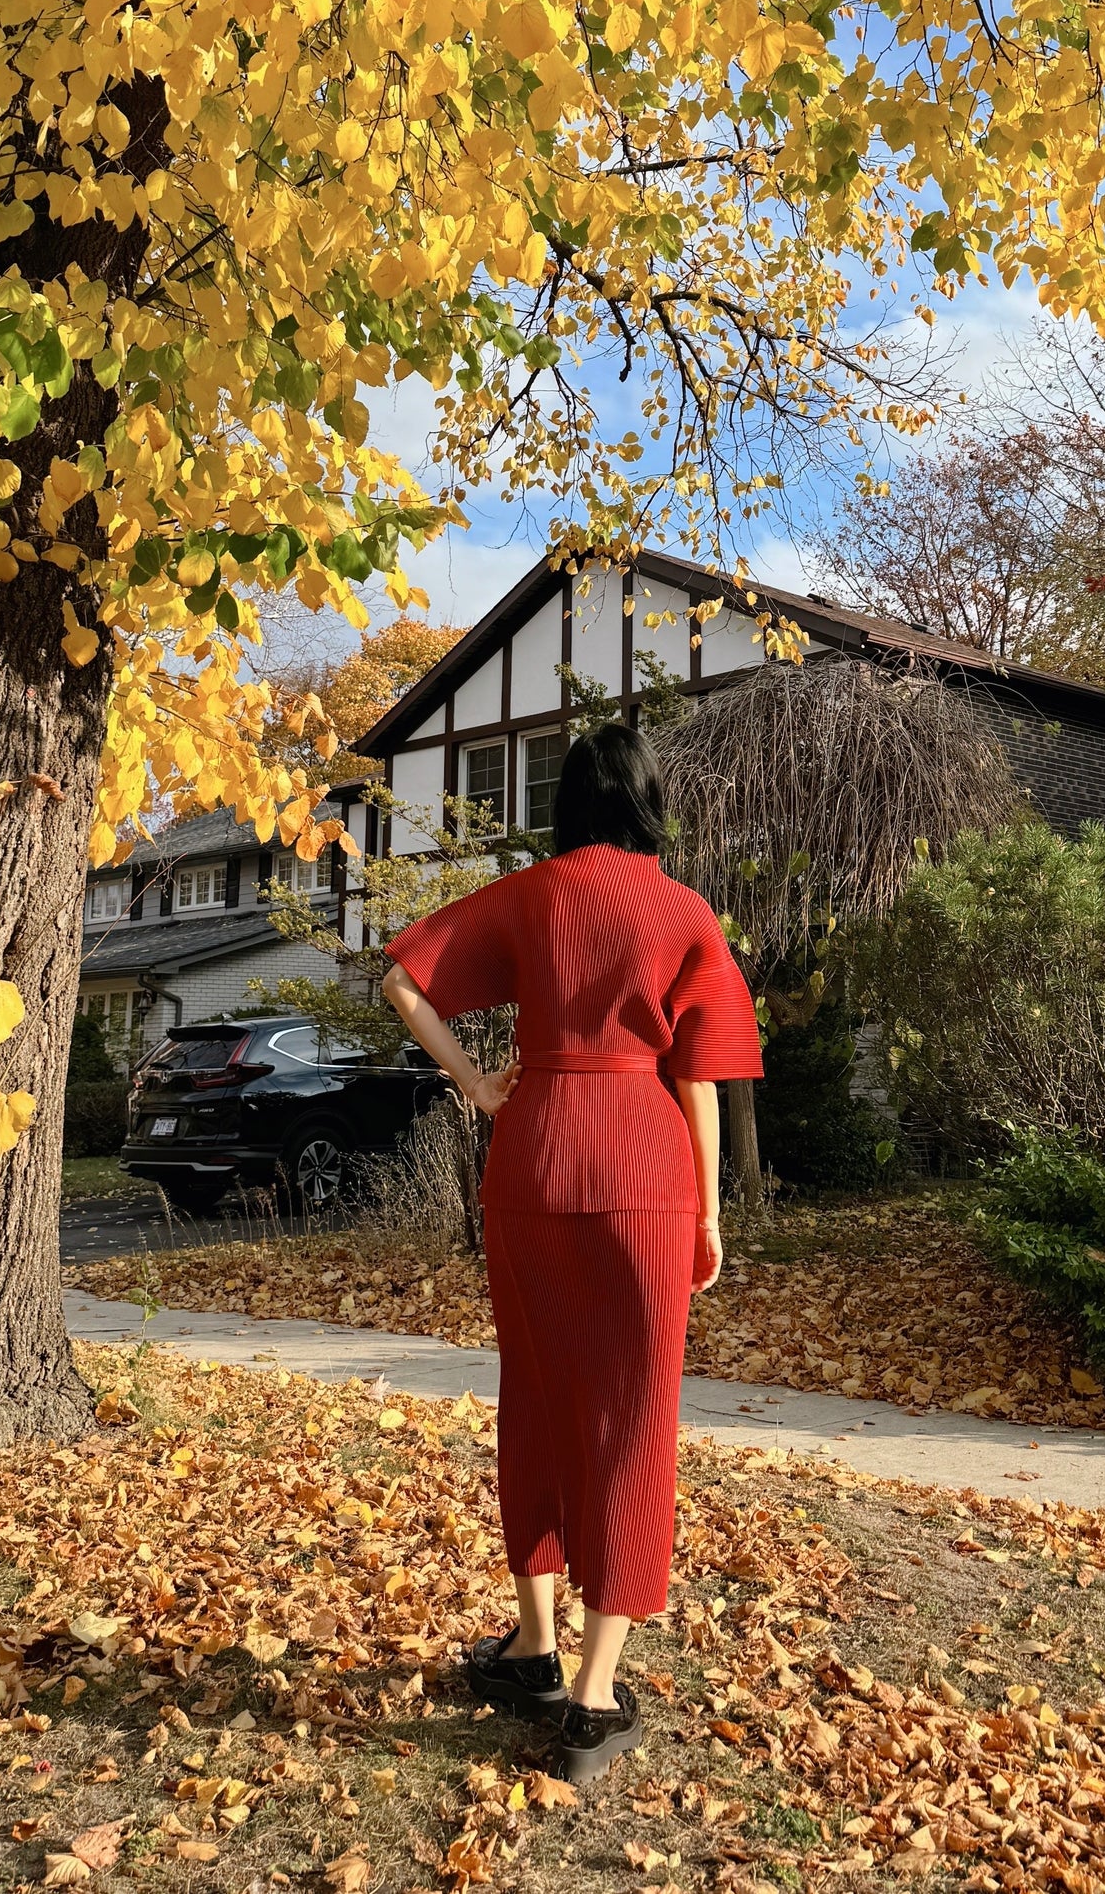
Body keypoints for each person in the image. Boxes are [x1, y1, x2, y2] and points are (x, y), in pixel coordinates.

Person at [381, 722, 763, 1783]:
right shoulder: (685, 913)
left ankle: (532, 1648)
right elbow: (700, 1076)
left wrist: (478, 1083)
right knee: (633, 1414)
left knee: (538, 1397)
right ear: (645, 800)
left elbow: (401, 981)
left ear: (570, 802)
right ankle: (591, 1696)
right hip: (644, 1166)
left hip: (535, 1154)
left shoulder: (532, 893)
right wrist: (707, 1211)